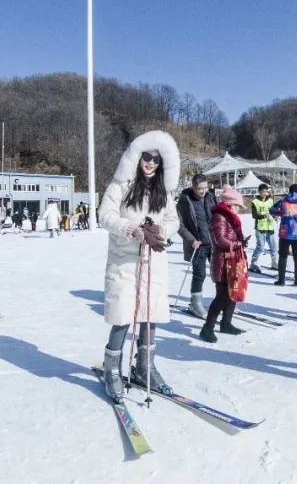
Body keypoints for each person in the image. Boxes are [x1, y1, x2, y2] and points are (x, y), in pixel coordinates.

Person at [97, 131, 181, 403]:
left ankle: (145, 366)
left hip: (152, 261)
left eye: (156, 160)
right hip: (125, 261)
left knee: (150, 315)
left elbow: (173, 220)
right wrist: (131, 228)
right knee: (123, 316)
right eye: (146, 157)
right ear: (136, 157)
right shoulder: (121, 185)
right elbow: (105, 215)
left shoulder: (163, 191)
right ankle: (112, 368)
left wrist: (160, 230)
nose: (151, 163)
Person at [199, 185, 249, 342]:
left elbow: (230, 238)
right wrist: (237, 244)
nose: (239, 209)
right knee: (223, 296)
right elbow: (219, 240)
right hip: (223, 262)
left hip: (233, 260)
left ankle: (226, 323)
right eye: (238, 206)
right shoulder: (219, 217)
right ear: (230, 204)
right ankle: (207, 328)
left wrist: (240, 243)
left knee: (233, 292)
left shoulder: (230, 218)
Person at [175, 174, 217, 318]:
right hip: (198, 245)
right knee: (199, 274)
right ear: (193, 187)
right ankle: (195, 304)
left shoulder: (211, 196)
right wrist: (191, 240)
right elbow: (178, 225)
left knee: (219, 273)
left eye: (205, 187)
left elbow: (219, 216)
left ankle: (222, 301)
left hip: (214, 242)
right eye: (200, 188)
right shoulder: (184, 201)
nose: (203, 191)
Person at [269, 184, 297, 287]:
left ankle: (281, 280)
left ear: (289, 191)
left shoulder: (283, 201)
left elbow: (272, 210)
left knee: (283, 256)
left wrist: (282, 214)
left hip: (285, 233)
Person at [248, 183, 278, 272]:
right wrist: (264, 216)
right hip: (260, 228)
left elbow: (273, 211)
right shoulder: (255, 202)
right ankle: (253, 262)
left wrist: (275, 215)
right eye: (263, 192)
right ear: (259, 192)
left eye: (266, 191)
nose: (265, 193)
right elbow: (254, 215)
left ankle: (274, 263)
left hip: (270, 227)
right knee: (260, 247)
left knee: (274, 246)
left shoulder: (270, 201)